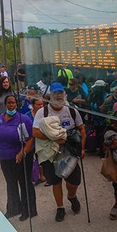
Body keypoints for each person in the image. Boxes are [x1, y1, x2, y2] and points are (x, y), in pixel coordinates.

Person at [32, 82, 86, 222]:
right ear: (50, 95)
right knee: (56, 181)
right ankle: (60, 207)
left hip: (69, 151)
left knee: (73, 181)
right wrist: (55, 139)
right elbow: (35, 132)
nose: (58, 96)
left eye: (60, 93)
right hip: (50, 153)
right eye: (55, 93)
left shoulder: (72, 110)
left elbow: (82, 130)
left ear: (64, 94)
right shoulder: (42, 112)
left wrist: (82, 148)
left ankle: (72, 196)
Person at [0, 95, 37, 220]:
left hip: (21, 157)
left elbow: (30, 139)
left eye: (13, 103)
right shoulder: (0, 119)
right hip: (5, 158)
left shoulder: (24, 119)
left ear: (16, 104)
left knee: (24, 183)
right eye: (9, 103)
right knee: (11, 184)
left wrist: (22, 153)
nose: (11, 105)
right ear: (5, 104)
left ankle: (28, 210)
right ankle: (13, 209)